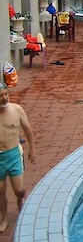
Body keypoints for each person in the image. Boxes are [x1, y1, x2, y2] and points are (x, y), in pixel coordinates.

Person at [0, 82, 36, 232]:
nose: (4, 98)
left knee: (19, 189)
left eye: (5, 94)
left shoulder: (16, 110)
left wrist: (32, 150)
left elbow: (27, 129)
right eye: (0, 96)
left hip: (14, 154)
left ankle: (20, 199)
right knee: (0, 190)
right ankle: (4, 218)